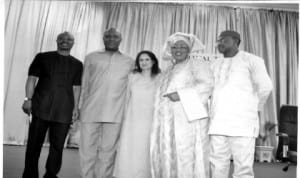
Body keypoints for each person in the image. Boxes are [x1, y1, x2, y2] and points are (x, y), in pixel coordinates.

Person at [209, 30, 273, 178]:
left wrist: (254, 108)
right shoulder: (214, 64)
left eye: (224, 40)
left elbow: (266, 86)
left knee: (243, 167)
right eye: (218, 41)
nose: (219, 43)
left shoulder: (252, 60)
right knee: (217, 164)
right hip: (218, 123)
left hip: (243, 123)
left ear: (236, 41)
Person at [150, 32, 213, 178]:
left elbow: (207, 85)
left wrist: (181, 95)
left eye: (182, 47)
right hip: (167, 120)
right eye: (175, 46)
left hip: (187, 120)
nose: (178, 49)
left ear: (189, 49)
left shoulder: (197, 64)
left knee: (186, 154)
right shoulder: (167, 69)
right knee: (169, 152)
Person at [21, 31, 83, 178]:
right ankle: (29, 174)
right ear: (57, 41)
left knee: (57, 147)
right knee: (33, 145)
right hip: (40, 107)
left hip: (64, 110)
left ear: (73, 43)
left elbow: (77, 88)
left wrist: (75, 108)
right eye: (61, 38)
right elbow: (31, 79)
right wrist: (27, 99)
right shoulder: (42, 57)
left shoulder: (78, 64)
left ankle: (51, 174)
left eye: (69, 39)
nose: (65, 41)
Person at [79, 28, 134, 178]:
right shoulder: (91, 57)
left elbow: (132, 87)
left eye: (115, 36)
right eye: (107, 36)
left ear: (120, 39)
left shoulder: (129, 61)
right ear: (103, 38)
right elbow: (84, 83)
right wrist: (79, 106)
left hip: (116, 111)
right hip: (90, 109)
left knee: (108, 151)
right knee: (86, 149)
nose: (111, 38)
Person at [113, 50, 161, 178]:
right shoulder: (132, 77)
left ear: (153, 61)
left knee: (146, 147)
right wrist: (123, 117)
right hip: (132, 118)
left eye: (147, 59)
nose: (144, 62)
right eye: (141, 60)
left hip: (151, 118)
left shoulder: (160, 78)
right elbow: (126, 98)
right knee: (131, 145)